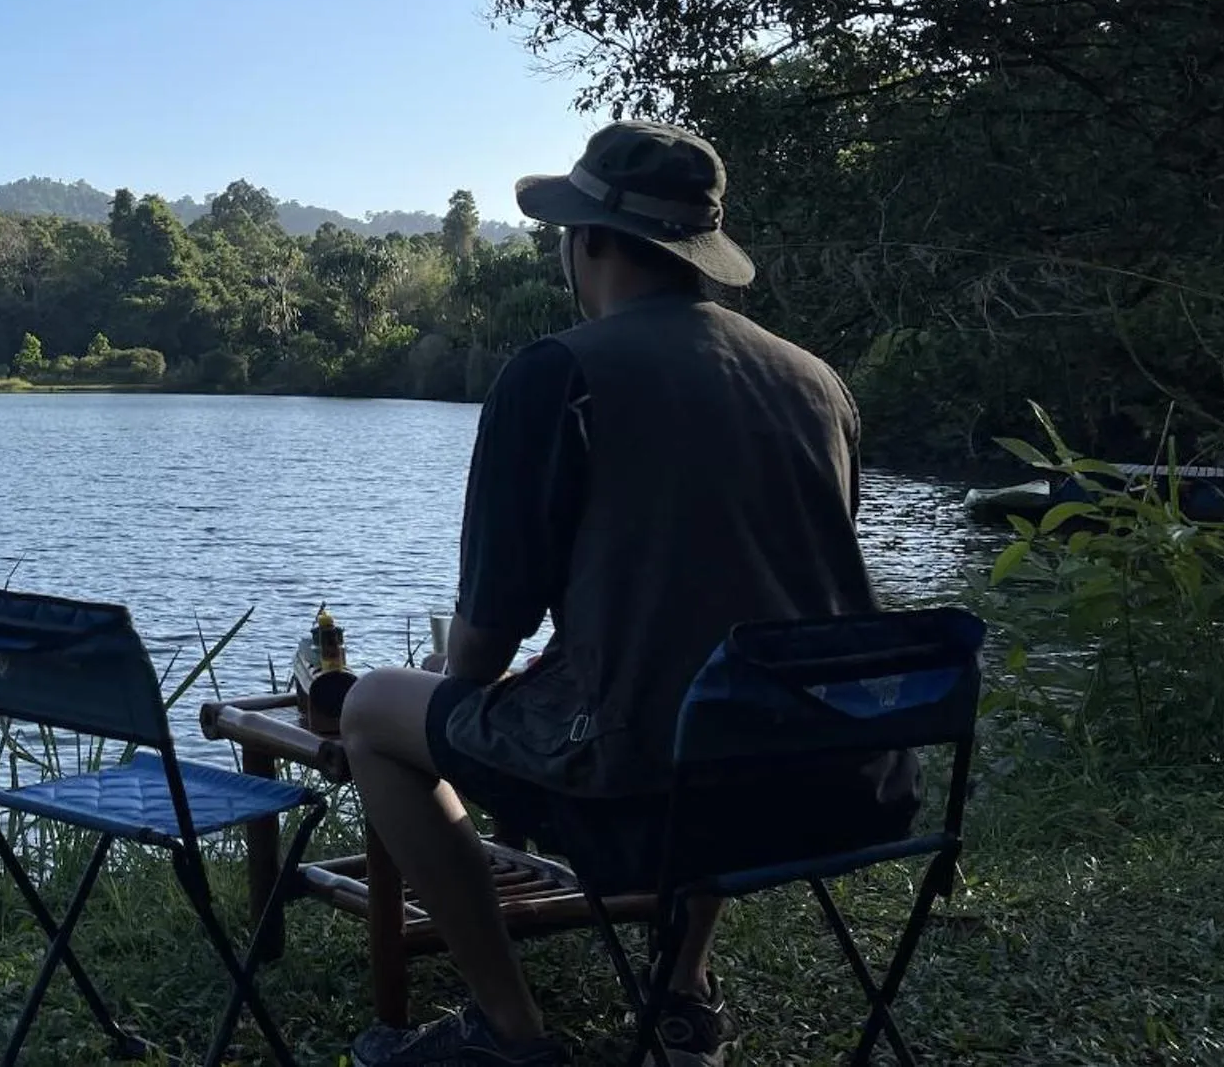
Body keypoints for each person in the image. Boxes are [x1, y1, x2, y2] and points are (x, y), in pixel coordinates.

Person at [340, 121, 914, 1067]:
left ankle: (507, 1032)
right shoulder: (818, 384)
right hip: (842, 782)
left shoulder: (555, 374)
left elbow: (481, 648)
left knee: (370, 710)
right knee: (723, 677)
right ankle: (682, 995)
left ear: (591, 240)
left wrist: (458, 678)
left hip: (650, 795)